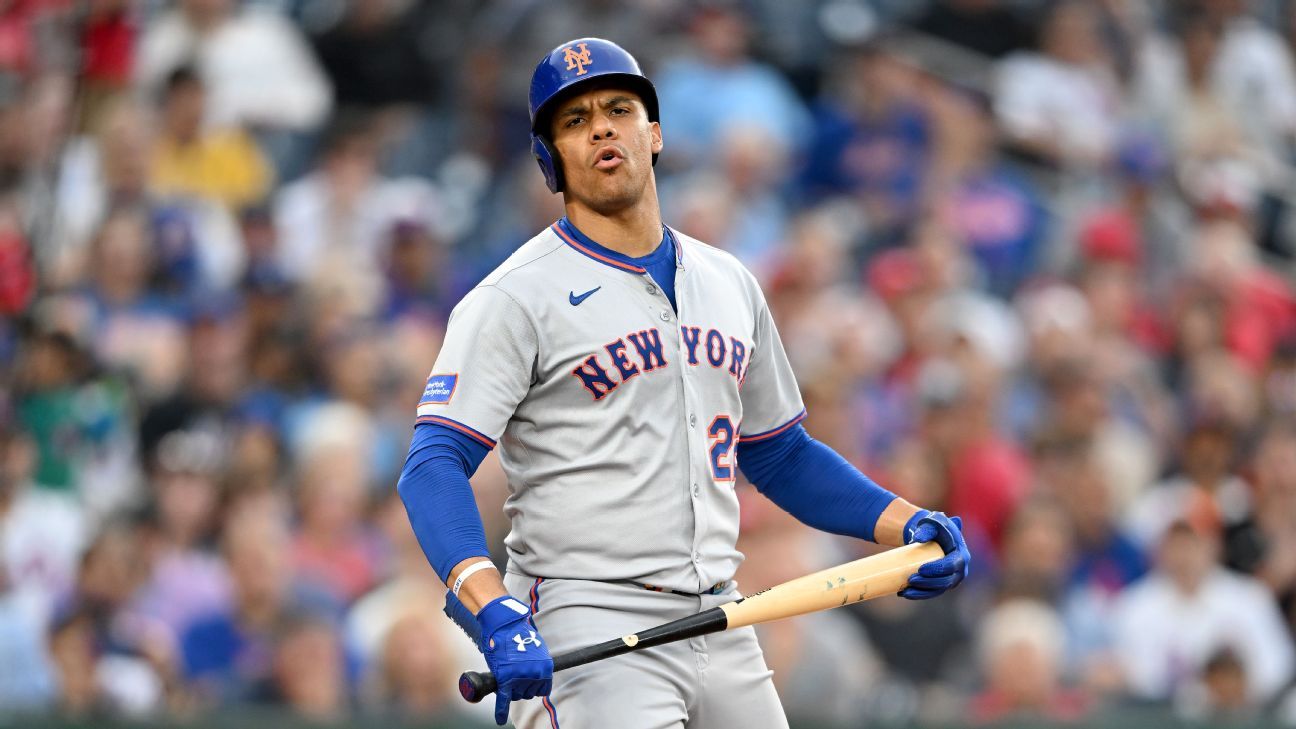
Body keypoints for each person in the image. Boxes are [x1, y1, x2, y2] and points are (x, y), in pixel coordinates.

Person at [396, 38, 972, 728]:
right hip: (590, 614)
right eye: (575, 120)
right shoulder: (515, 295)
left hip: (721, 611)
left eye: (618, 109)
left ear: (655, 133)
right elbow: (433, 464)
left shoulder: (729, 280)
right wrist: (489, 601)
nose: (601, 128)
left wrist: (907, 522)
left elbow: (780, 454)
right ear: (550, 159)